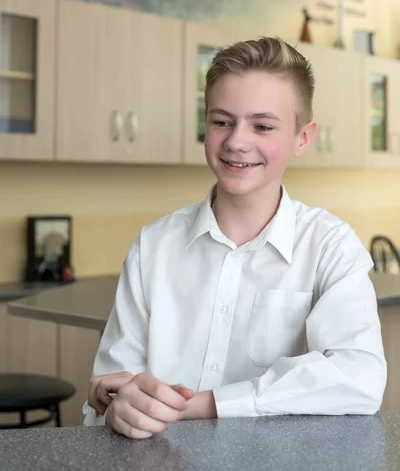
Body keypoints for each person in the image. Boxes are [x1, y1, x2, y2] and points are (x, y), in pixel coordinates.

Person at [83, 37, 387, 438]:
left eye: (262, 125)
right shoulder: (153, 246)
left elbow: (359, 379)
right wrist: (115, 409)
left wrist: (203, 405)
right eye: (221, 121)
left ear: (303, 138)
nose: (236, 141)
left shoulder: (331, 247)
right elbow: (107, 395)